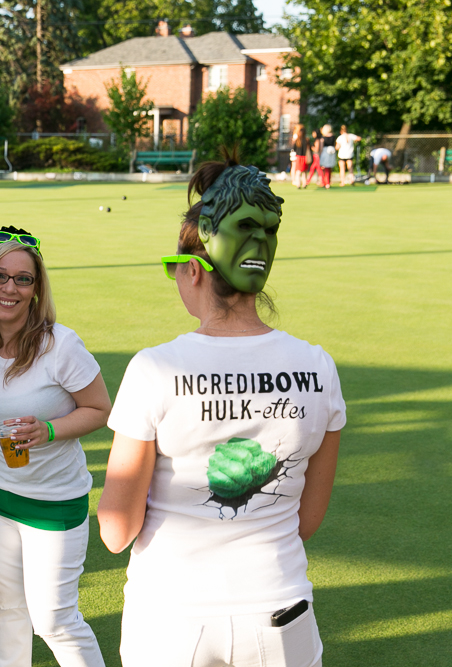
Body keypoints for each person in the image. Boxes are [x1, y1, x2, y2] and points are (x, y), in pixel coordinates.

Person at [98, 151, 345, 667]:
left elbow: (116, 531)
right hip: (280, 610)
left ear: (194, 269)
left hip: (170, 615)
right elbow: (307, 520)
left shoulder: (154, 368)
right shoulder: (318, 367)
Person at [0, 227, 111, 667]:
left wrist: (48, 430)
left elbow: (100, 409)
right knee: (7, 609)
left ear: (36, 288)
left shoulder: (60, 345)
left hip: (54, 503)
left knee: (55, 620)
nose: (9, 288)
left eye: (23, 279)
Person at [290, 124, 308, 189]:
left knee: (298, 172)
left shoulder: (297, 141)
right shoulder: (306, 140)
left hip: (298, 157)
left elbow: (294, 148)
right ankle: (304, 183)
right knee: (304, 172)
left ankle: (298, 184)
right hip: (304, 157)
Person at [319, 124, 337, 188]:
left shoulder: (323, 138)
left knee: (325, 168)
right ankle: (328, 182)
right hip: (332, 152)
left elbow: (321, 147)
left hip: (325, 152)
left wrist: (320, 154)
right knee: (329, 168)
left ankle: (325, 183)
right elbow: (335, 145)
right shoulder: (333, 137)